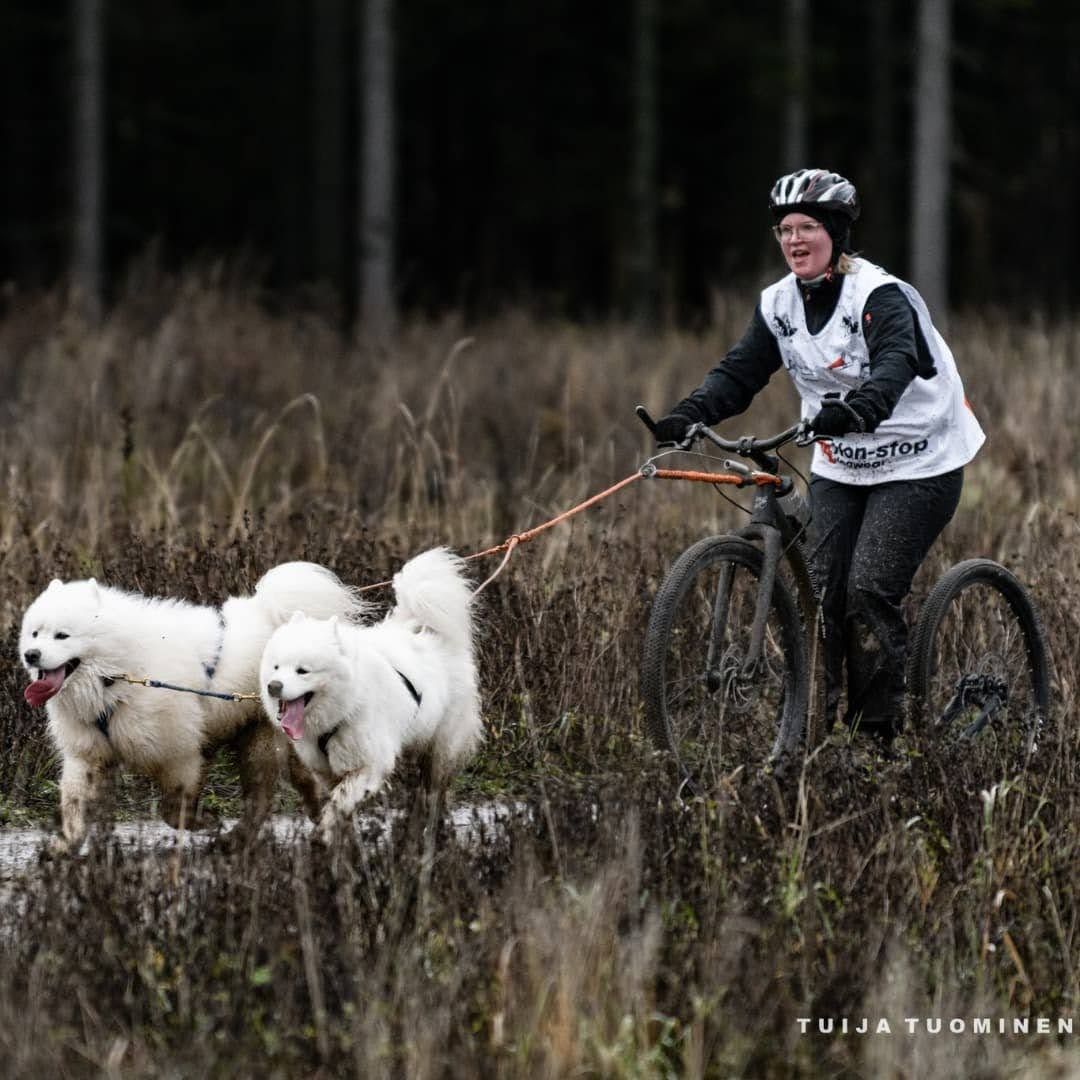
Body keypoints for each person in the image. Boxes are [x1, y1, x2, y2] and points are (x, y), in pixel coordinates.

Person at [653, 168, 985, 743]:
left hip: (919, 461)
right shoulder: (778, 304)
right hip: (841, 460)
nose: (794, 240)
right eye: (785, 229)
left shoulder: (878, 296)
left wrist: (857, 410)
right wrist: (690, 414)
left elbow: (895, 364)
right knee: (821, 598)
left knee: (868, 590)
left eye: (808, 227)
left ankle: (879, 737)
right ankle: (812, 736)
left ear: (835, 232)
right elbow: (741, 372)